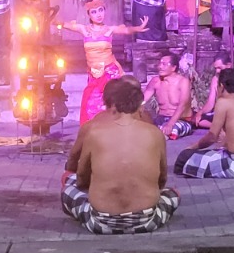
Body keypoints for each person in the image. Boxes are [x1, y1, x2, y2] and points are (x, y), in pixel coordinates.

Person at [61, 78, 179, 234]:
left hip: (101, 222)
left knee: (67, 192)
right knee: (173, 194)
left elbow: (82, 179)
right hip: (146, 221)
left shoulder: (94, 131)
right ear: (140, 106)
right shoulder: (155, 133)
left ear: (113, 105)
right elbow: (162, 180)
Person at [58, 0, 148, 125]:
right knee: (91, 104)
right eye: (94, 12)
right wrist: (52, 21)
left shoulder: (108, 30)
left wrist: (139, 28)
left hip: (109, 72)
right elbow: (64, 24)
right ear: (88, 14)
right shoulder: (84, 30)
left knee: (111, 102)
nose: (98, 14)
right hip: (94, 74)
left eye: (101, 10)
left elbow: (126, 31)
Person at [175, 69, 234, 178]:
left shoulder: (224, 102)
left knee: (185, 157)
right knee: (216, 152)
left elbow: (212, 137)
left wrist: (191, 147)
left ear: (221, 86)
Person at [143, 52, 194, 140]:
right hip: (161, 119)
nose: (160, 67)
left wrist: (170, 124)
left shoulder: (183, 82)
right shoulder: (155, 81)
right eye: (159, 63)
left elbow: (182, 105)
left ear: (173, 68)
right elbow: (142, 100)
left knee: (171, 131)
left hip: (181, 120)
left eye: (164, 64)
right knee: (144, 129)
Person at [193, 55, 232, 128]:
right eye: (216, 68)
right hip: (218, 113)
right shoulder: (215, 79)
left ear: (228, 65)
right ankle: (219, 127)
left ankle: (221, 126)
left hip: (232, 112)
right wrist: (199, 113)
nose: (217, 71)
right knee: (198, 120)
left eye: (220, 68)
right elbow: (210, 103)